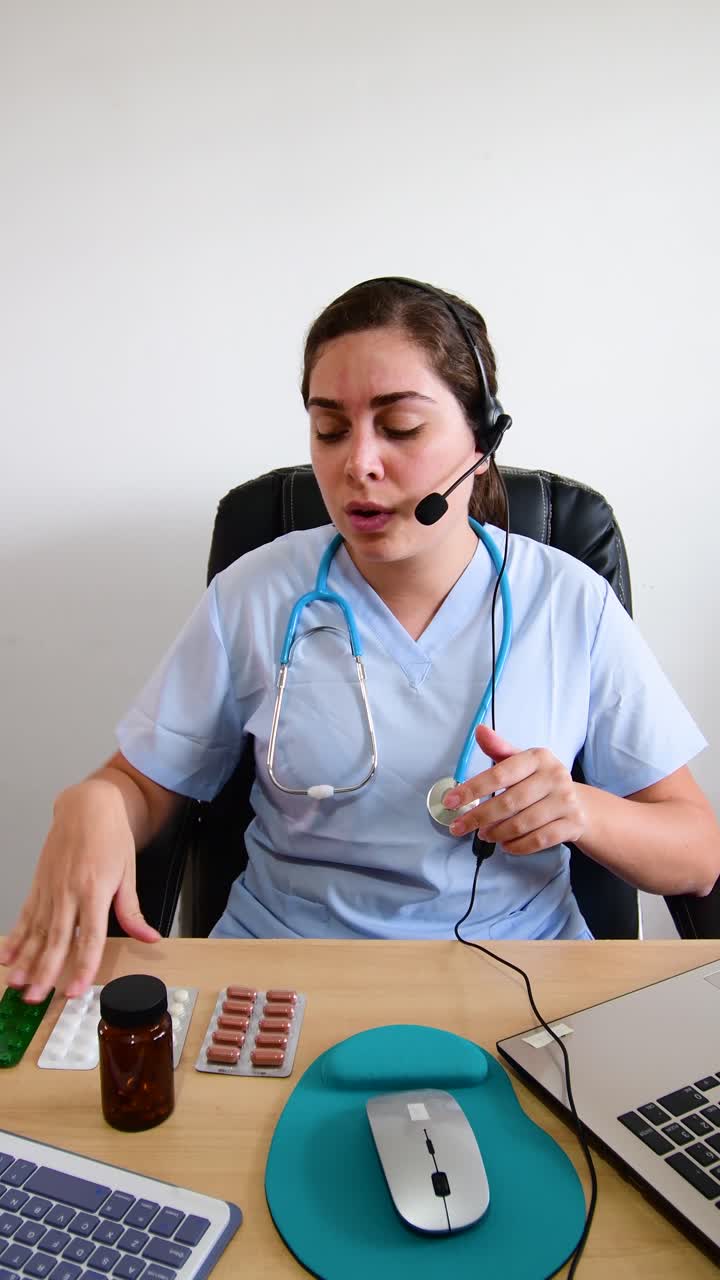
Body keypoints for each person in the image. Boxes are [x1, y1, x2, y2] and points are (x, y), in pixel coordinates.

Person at [3, 277, 719, 1005]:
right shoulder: (257, 594)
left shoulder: (569, 603)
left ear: (482, 439)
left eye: (401, 427)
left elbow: (697, 852)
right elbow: (140, 783)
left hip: (522, 980)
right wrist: (97, 801)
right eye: (330, 430)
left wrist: (580, 811)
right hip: (283, 977)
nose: (358, 464)